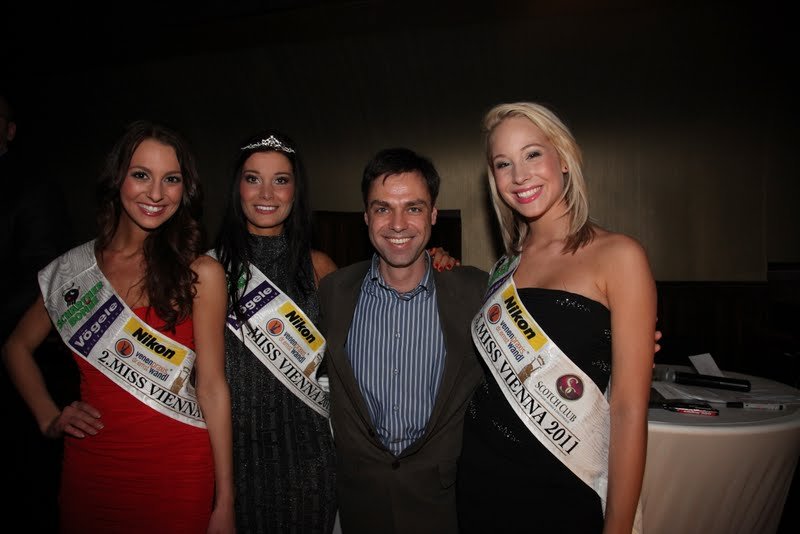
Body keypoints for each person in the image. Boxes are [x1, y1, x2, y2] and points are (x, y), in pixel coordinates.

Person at [1, 120, 235, 533]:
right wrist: (48, 417)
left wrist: (226, 499)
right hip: (92, 471)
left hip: (179, 473)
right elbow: (15, 347)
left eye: (171, 179)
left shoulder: (201, 274)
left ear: (186, 190)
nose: (156, 193)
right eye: (141, 175)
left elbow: (212, 387)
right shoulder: (74, 272)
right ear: (117, 179)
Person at [456, 102, 656, 534]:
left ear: (563, 158)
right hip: (479, 479)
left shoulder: (620, 256)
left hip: (564, 486)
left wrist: (618, 526)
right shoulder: (504, 267)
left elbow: (627, 409)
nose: (519, 175)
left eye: (532, 154)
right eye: (503, 163)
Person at [317, 147, 489, 534]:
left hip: (445, 502)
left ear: (433, 215)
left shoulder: (475, 292)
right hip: (360, 501)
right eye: (383, 208)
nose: (398, 224)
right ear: (366, 216)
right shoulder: (333, 292)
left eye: (413, 208)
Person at [212, 130, 339, 533]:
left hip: (310, 462)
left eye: (280, 180)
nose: (266, 193)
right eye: (253, 179)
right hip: (232, 462)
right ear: (237, 187)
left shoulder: (320, 268)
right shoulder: (209, 270)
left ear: (295, 191)